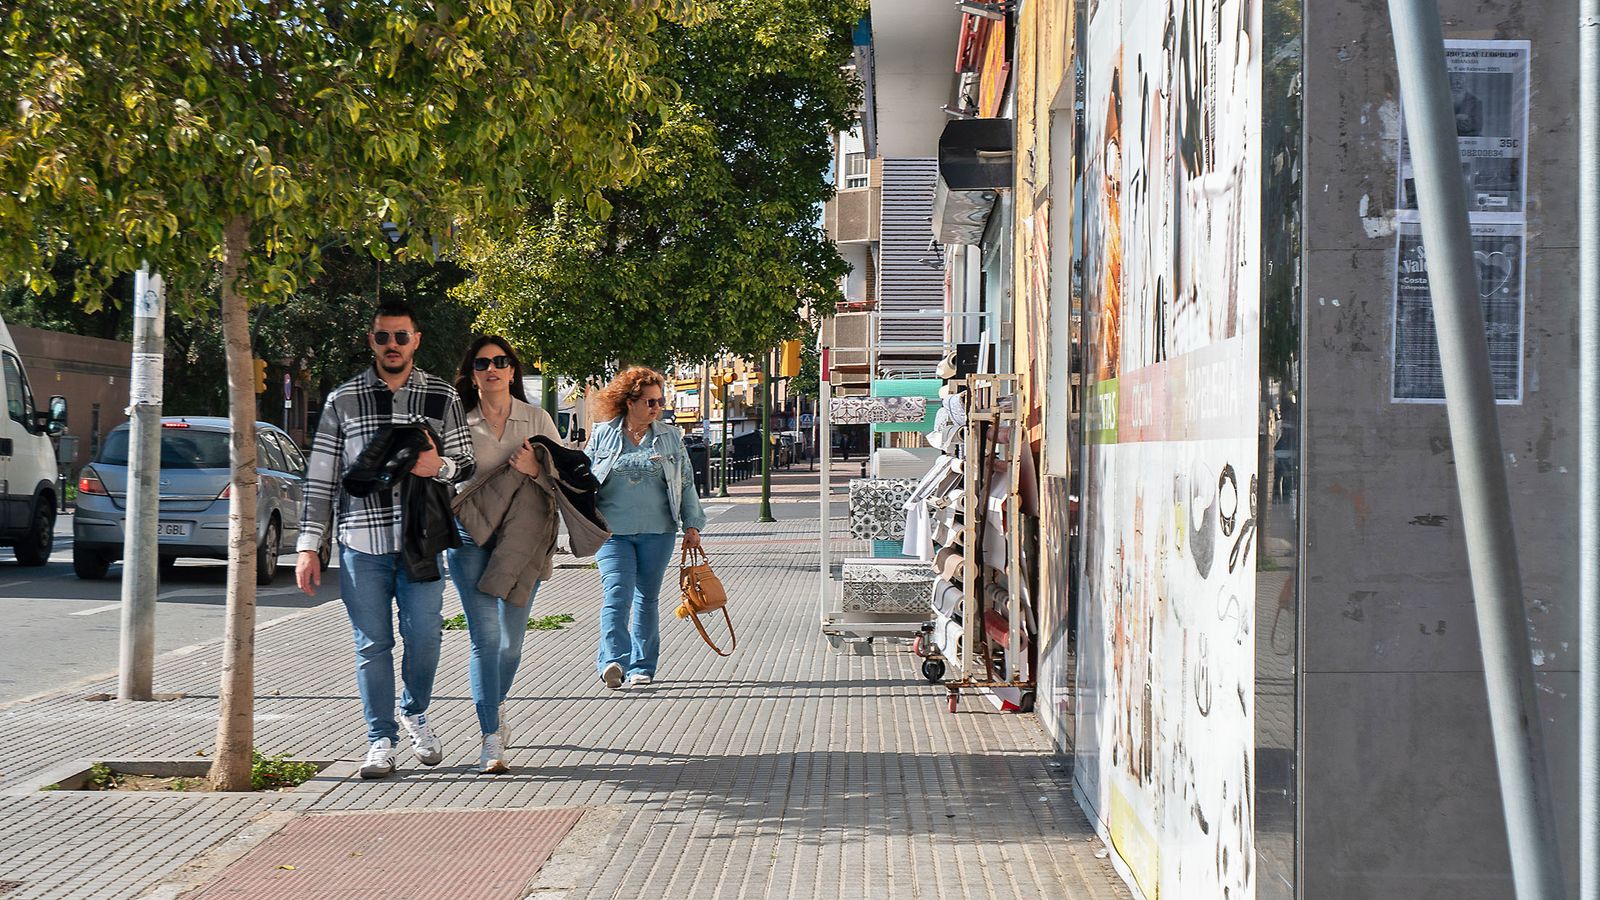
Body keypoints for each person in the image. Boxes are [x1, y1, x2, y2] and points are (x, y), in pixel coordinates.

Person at [295, 301, 475, 779]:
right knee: (372, 645)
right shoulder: (343, 399)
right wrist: (310, 545)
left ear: (416, 339)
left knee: (426, 636)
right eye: (383, 337)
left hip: (422, 540)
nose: (392, 346)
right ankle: (380, 739)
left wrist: (439, 467)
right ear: (370, 341)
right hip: (361, 543)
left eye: (401, 336)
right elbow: (321, 478)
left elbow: (466, 463)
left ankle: (414, 711)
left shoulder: (442, 396)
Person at [447, 336, 561, 773]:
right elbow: (443, 474)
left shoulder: (536, 419)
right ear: (472, 373)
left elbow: (565, 475)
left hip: (523, 539)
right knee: (486, 639)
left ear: (512, 370)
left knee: (511, 644)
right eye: (482, 363)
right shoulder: (458, 420)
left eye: (500, 361)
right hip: (469, 534)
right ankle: (490, 736)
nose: (491, 369)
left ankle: (496, 706)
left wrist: (537, 469)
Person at [586, 367, 707, 689]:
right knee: (616, 594)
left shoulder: (669, 437)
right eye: (649, 402)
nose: (657, 408)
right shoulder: (603, 434)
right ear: (629, 402)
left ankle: (642, 666)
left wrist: (692, 524)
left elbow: (685, 482)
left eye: (659, 401)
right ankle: (612, 660)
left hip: (658, 531)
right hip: (613, 533)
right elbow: (582, 480)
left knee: (646, 598)